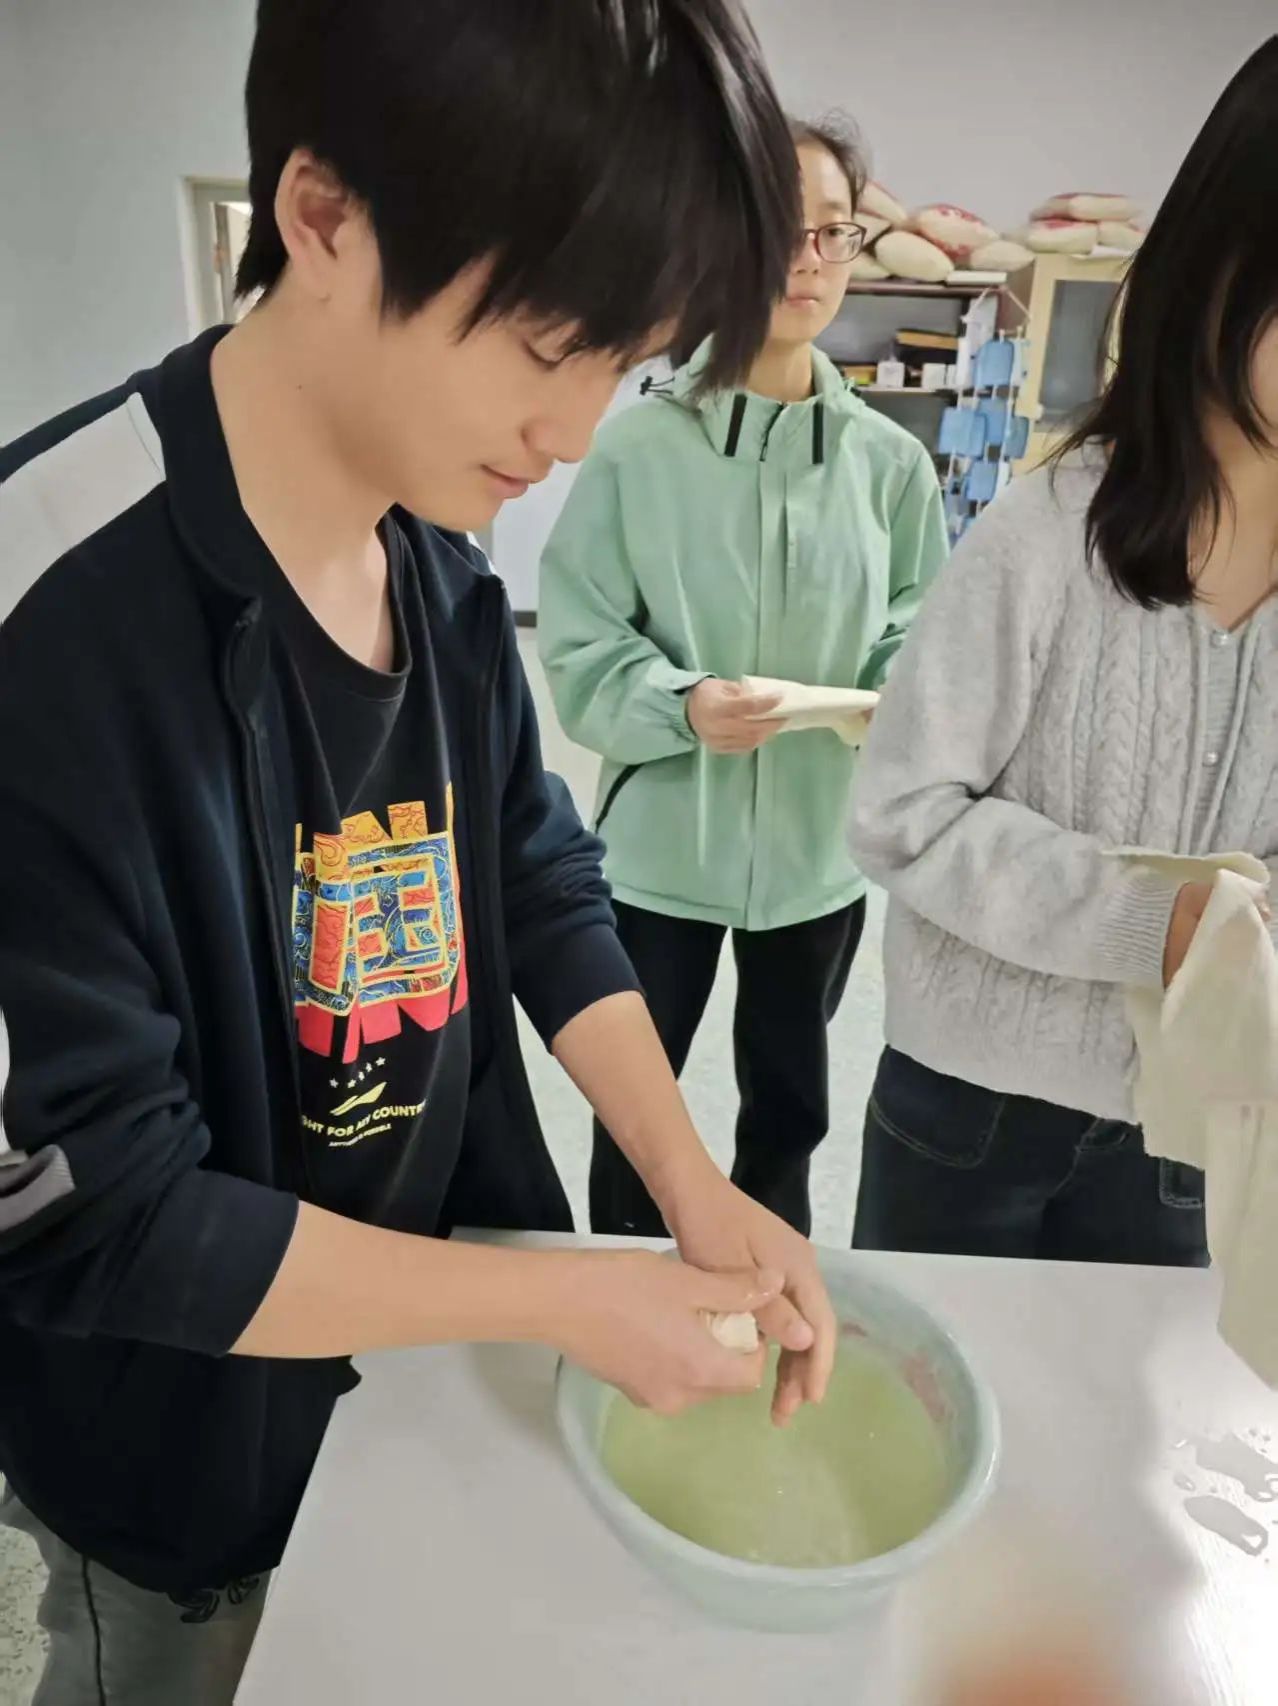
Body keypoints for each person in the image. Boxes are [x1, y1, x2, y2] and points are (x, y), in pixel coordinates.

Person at [0, 4, 840, 1700]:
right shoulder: (51, 610)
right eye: (548, 346)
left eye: (623, 366)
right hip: (183, 1455)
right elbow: (104, 1214)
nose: (577, 431)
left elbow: (534, 873)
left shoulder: (437, 563)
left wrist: (684, 1183)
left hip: (425, 1361)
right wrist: (564, 1306)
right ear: (322, 218)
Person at [848, 36, 1278, 1266]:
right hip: (971, 1102)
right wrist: (1156, 918)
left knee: (1127, 1382)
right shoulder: (1045, 534)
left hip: (1197, 1108)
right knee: (931, 1364)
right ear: (1223, 267)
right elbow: (901, 815)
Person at [539, 116, 948, 1242]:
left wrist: (890, 698)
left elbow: (917, 626)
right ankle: (628, 1287)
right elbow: (579, 642)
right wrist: (680, 705)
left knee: (791, 1111)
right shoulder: (636, 450)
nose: (807, 262)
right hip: (660, 856)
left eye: (833, 232)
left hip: (817, 858)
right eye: (779, 229)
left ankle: (771, 1289)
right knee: (638, 1109)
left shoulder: (890, 465)